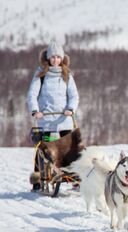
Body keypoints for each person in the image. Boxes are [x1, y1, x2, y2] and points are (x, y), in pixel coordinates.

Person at [27, 42, 79, 191]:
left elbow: (74, 96)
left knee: (69, 149)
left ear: (62, 58)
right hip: (46, 120)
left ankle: (71, 179)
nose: (55, 60)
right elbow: (32, 95)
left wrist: (70, 109)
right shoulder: (40, 75)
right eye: (53, 57)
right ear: (48, 58)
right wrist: (35, 111)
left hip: (64, 120)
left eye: (58, 57)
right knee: (43, 150)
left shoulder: (67, 75)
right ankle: (38, 180)